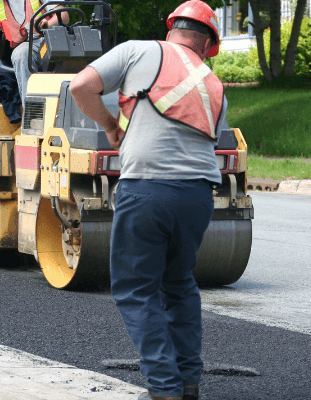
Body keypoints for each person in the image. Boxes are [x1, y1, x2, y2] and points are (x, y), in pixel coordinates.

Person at [68, 1, 226, 399]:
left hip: (148, 189)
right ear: (208, 45)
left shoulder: (138, 49)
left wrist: (110, 127)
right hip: (198, 194)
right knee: (179, 284)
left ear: (172, 28)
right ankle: (188, 381)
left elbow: (79, 86)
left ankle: (163, 387)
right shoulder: (212, 82)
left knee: (137, 288)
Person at [0, 0, 69, 103]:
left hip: (49, 40)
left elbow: (64, 16)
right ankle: (32, 112)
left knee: (23, 53)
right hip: (25, 46)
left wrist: (48, 23)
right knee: (21, 53)